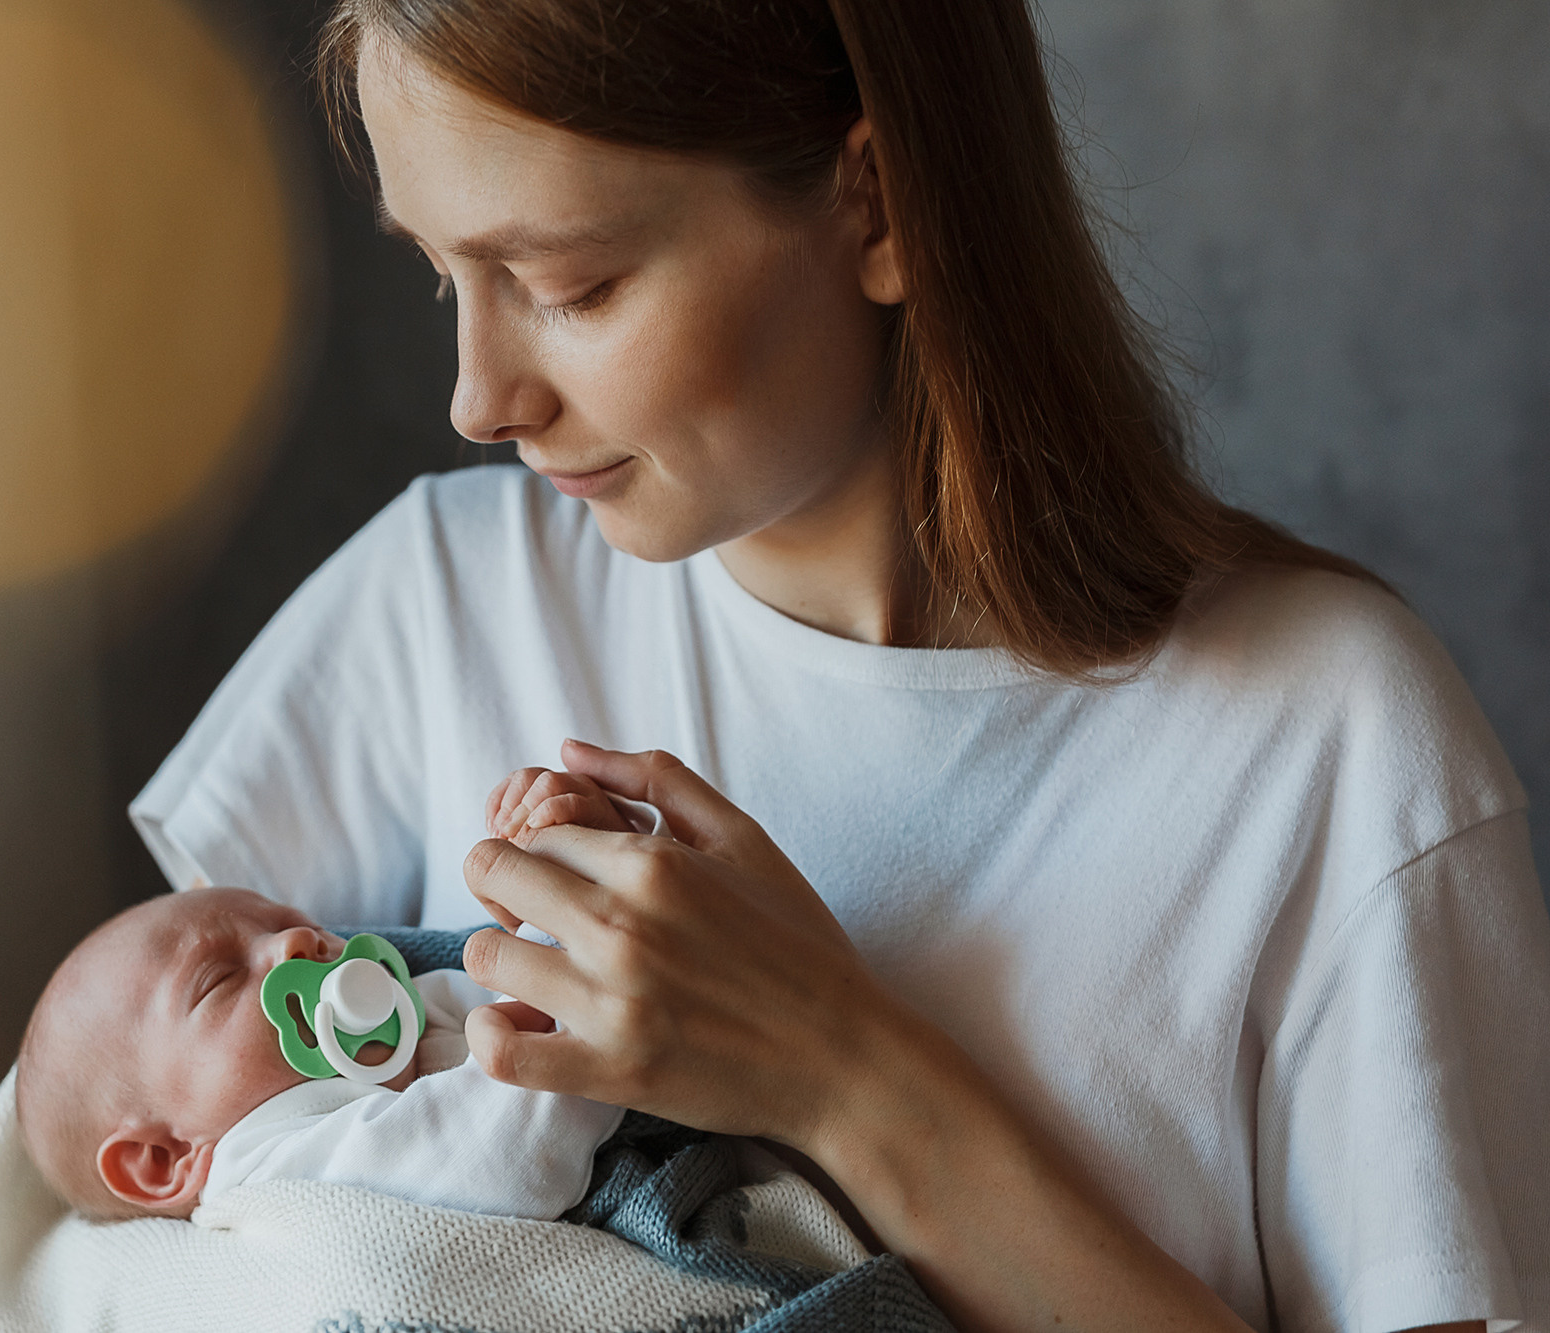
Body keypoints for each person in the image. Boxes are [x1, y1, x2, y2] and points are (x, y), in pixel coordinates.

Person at [130, 2, 1550, 1331]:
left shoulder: (1333, 742)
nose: (479, 396)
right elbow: (117, 1210)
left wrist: (847, 1073)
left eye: (571, 283)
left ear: (880, 203)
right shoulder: (434, 604)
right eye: (443, 274)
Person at [12, 770, 650, 1225]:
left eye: (295, 922)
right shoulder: (270, 1159)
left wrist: (569, 867)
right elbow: (506, 1152)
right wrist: (591, 952)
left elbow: (524, 980)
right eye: (220, 980)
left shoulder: (417, 1010)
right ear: (164, 1158)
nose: (295, 944)